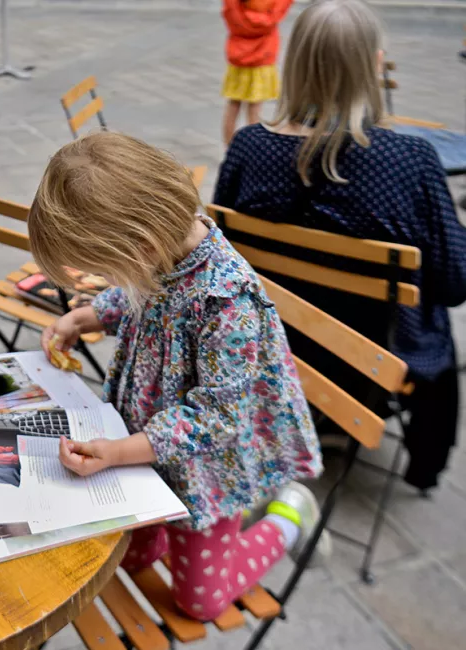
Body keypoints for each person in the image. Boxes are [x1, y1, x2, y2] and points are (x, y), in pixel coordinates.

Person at [29, 131, 325, 622]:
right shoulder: (164, 251)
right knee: (133, 555)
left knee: (199, 603)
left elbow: (215, 419)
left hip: (209, 468)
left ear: (142, 247)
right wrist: (90, 315)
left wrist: (119, 452)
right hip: (149, 446)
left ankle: (290, 517)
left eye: (106, 271)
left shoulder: (227, 302)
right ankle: (164, 524)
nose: (109, 280)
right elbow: (141, 292)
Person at [213, 0, 466, 491]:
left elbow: (224, 258)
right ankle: (423, 464)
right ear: (374, 65)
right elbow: (455, 281)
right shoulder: (409, 159)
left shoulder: (248, 146)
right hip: (375, 355)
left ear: (295, 63)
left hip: (274, 342)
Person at [221, 0, 294, 145]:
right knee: (255, 108)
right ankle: (251, 151)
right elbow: (278, 10)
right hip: (262, 54)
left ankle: (229, 149)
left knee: (233, 104)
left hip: (238, 54)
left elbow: (229, 11)